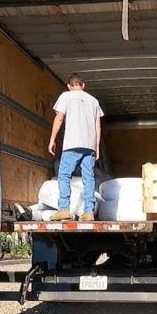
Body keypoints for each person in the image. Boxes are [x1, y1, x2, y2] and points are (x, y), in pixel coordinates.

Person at [47, 72, 104, 222]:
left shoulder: (65, 96)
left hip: (72, 143)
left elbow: (59, 118)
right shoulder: (94, 100)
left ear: (69, 86)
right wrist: (96, 146)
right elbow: (98, 125)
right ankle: (89, 212)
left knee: (64, 175)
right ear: (83, 85)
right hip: (89, 146)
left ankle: (64, 209)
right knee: (88, 178)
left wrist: (52, 139)